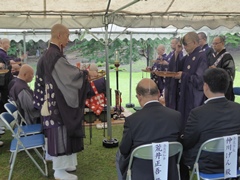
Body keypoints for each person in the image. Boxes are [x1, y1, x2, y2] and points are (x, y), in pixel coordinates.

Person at [33, 24, 97, 180]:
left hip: (52, 100)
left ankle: (66, 164)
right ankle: (59, 170)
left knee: (63, 132)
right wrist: (85, 73)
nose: (69, 39)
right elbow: (69, 76)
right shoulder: (54, 55)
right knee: (60, 132)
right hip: (56, 103)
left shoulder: (49, 54)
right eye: (67, 36)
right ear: (59, 35)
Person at [116, 78, 182, 180]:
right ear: (159, 93)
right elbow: (181, 143)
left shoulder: (132, 120)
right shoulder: (176, 116)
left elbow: (124, 149)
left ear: (139, 96)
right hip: (169, 169)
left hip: (141, 171)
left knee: (119, 154)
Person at [181, 68, 240, 180]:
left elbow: (188, 142)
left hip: (206, 166)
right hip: (233, 163)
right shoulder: (238, 109)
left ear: (206, 86)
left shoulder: (197, 113)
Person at [175, 31, 208, 130]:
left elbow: (200, 80)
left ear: (194, 42)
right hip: (186, 94)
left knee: (192, 123)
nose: (184, 47)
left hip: (194, 97)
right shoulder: (188, 56)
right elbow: (176, 67)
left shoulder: (202, 56)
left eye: (186, 44)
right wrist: (177, 52)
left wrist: (184, 76)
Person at [209, 35, 235, 101]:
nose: (214, 45)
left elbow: (230, 73)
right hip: (213, 87)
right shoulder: (211, 55)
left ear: (222, 43)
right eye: (213, 43)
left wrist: (217, 70)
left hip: (224, 89)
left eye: (216, 43)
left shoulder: (227, 56)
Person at [164, 38, 183, 110]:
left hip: (175, 81)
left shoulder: (180, 53)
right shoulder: (172, 53)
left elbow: (178, 65)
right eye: (171, 43)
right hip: (169, 79)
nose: (171, 45)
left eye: (173, 43)